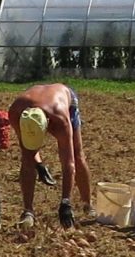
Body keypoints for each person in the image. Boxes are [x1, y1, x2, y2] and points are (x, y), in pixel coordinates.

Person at [8, 79, 92, 226]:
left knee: (78, 155)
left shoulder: (60, 119)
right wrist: (38, 164)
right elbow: (26, 151)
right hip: (35, 103)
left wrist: (65, 202)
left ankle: (87, 205)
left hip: (64, 101)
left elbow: (68, 163)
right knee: (27, 160)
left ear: (48, 123)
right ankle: (28, 211)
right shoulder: (16, 112)